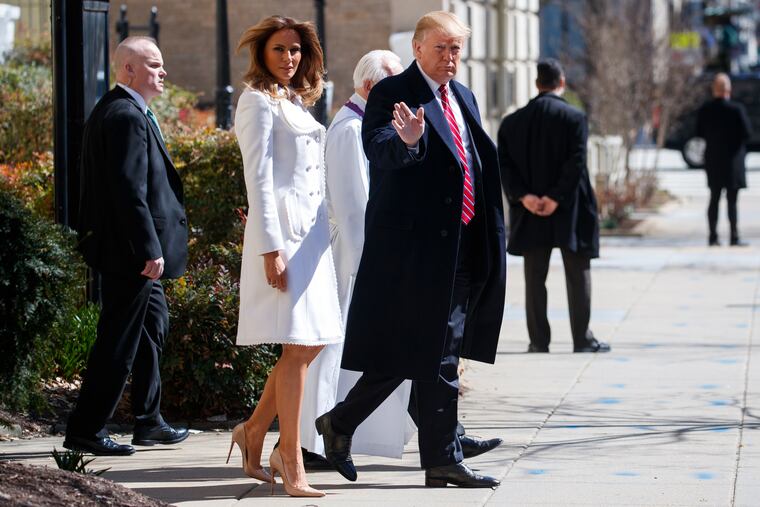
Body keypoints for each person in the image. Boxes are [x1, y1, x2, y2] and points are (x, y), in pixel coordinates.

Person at [316, 11, 506, 489]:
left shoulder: (463, 96)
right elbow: (378, 150)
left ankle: (341, 424)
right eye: (441, 48)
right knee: (433, 355)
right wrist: (408, 143)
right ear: (417, 49)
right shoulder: (390, 92)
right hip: (415, 252)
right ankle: (441, 458)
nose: (450, 57)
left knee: (426, 353)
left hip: (462, 246)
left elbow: (472, 163)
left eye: (457, 49)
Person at [231, 15, 343, 498]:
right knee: (297, 348)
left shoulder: (293, 100)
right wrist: (270, 250)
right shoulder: (256, 102)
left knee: (312, 342)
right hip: (285, 241)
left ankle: (254, 431)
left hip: (313, 238)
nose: (288, 58)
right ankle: (290, 458)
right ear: (262, 53)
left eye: (295, 50)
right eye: (279, 50)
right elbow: (258, 182)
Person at [65, 36, 189, 456]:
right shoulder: (125, 115)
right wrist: (148, 248)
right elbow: (127, 190)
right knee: (118, 341)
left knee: (153, 328)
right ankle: (84, 429)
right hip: (130, 253)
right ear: (128, 70)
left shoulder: (128, 110)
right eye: (153, 64)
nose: (162, 71)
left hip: (130, 250)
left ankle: (149, 421)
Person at [303, 49, 416, 460]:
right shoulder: (351, 129)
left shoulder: (361, 124)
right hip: (350, 263)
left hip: (358, 259)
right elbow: (355, 209)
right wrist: (377, 268)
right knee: (338, 353)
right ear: (370, 87)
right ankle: (316, 440)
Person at [497, 58, 609, 355]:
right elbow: (576, 161)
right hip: (569, 207)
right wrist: (556, 197)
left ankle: (538, 341)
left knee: (534, 278)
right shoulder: (574, 117)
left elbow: (504, 166)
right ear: (562, 83)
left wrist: (526, 197)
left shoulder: (511, 123)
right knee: (578, 273)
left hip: (530, 209)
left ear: (537, 84)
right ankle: (582, 339)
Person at [696, 73, 752, 247]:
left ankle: (713, 236)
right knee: (732, 200)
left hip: (713, 159)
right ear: (729, 89)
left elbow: (698, 132)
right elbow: (747, 133)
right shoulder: (737, 110)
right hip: (733, 160)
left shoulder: (706, 109)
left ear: (714, 89)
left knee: (714, 197)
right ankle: (734, 236)